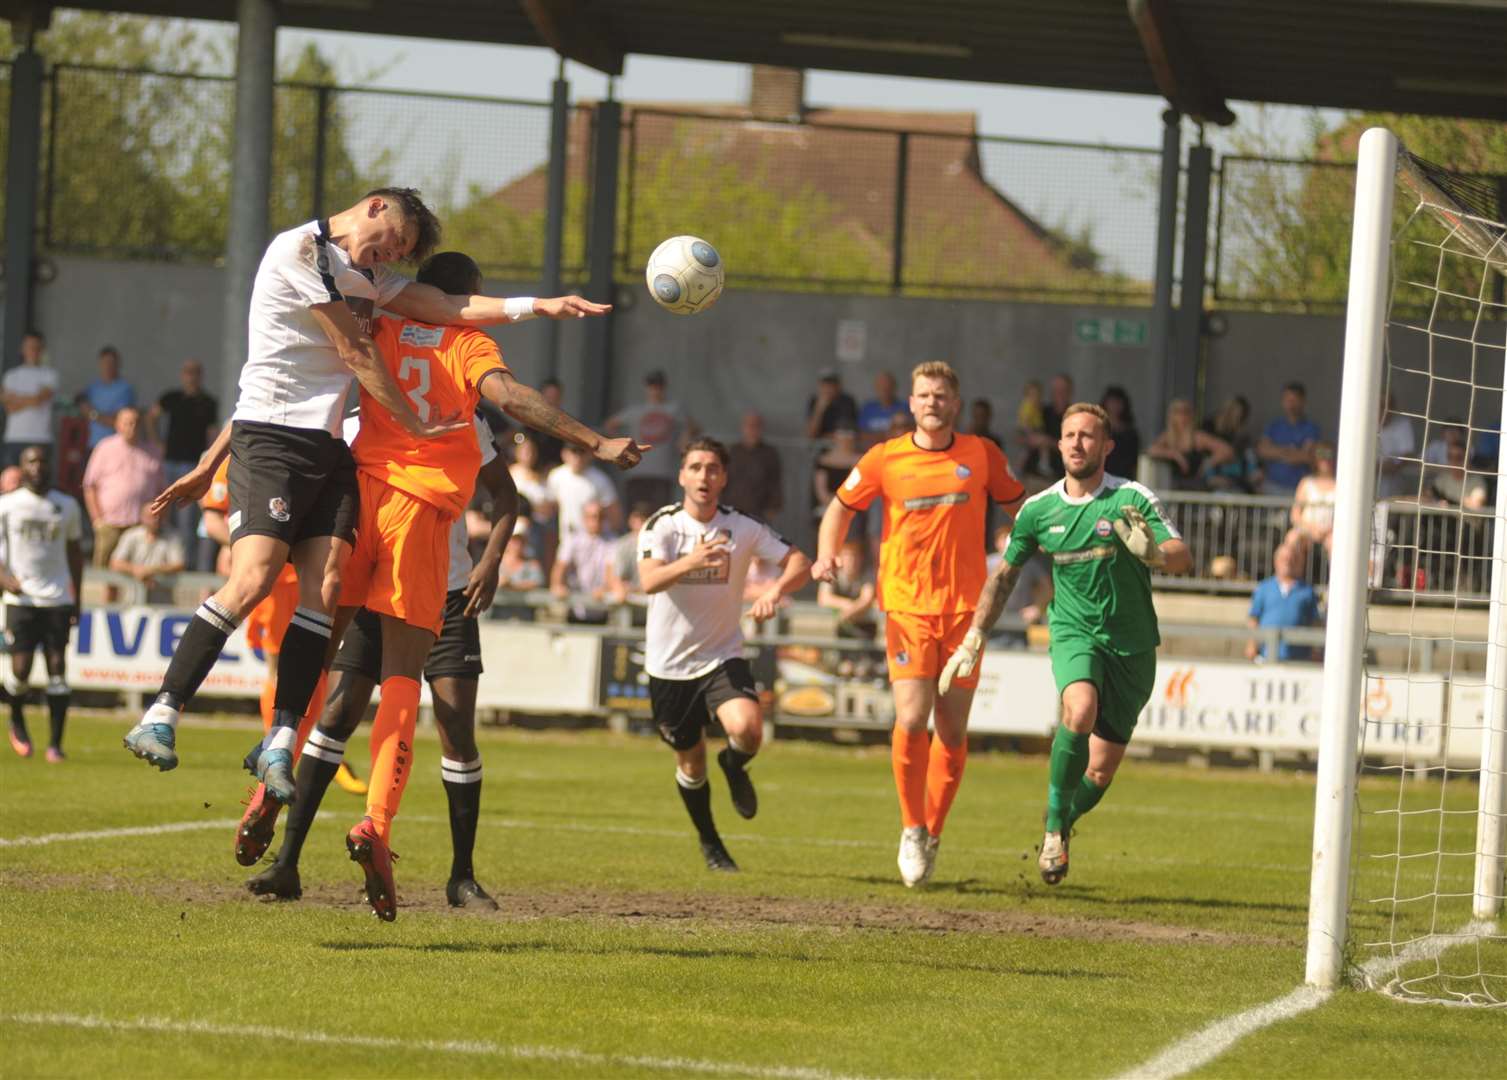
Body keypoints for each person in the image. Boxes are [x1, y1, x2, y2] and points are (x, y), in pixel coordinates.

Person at [122, 188, 623, 783]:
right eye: (396, 243)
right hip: (273, 441)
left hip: (329, 450)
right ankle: (162, 712)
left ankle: (282, 740)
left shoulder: (368, 277)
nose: (391, 258)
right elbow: (356, 351)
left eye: (403, 254)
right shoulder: (300, 251)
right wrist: (414, 425)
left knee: (326, 587)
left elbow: (447, 306)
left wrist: (539, 305)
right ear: (376, 207)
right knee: (253, 577)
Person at [237, 250, 638, 919]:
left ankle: (273, 764)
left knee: (319, 653)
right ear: (468, 298)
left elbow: (285, 388)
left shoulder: (378, 328)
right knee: (400, 681)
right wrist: (593, 441)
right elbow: (509, 398)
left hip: (353, 507)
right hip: (417, 523)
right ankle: (375, 825)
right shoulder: (468, 348)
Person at [246, 412, 520, 909]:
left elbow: (506, 494)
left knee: (455, 726)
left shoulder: (460, 418)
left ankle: (462, 876)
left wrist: (491, 561)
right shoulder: (353, 421)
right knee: (338, 711)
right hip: (378, 589)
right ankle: (287, 861)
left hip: (451, 591)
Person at [942, 403, 1190, 887]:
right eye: (1070, 435)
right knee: (1079, 709)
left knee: (1099, 773)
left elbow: (1182, 556)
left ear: (1106, 446)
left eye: (1088, 436)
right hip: (1074, 632)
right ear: (1058, 444)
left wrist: (1155, 554)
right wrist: (975, 635)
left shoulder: (1130, 498)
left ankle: (1063, 818)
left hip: (1133, 645)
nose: (1077, 443)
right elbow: (1005, 576)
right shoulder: (1039, 510)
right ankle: (1054, 828)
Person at [812, 360, 1025, 887]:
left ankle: (933, 831)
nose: (931, 402)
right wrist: (826, 556)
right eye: (923, 395)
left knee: (951, 731)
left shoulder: (982, 455)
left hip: (965, 613)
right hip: (906, 608)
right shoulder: (885, 458)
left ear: (955, 403)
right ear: (910, 404)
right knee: (911, 719)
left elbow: (1022, 508)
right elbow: (840, 508)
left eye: (940, 395)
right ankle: (911, 828)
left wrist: (1024, 541)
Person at [639, 437, 812, 870]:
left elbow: (799, 562)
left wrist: (774, 590)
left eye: (712, 468)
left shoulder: (743, 526)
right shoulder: (662, 526)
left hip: (721, 655)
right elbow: (648, 581)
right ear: (681, 475)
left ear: (724, 478)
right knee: (691, 765)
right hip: (669, 668)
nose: (703, 476)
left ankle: (734, 765)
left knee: (750, 729)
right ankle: (710, 840)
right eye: (695, 467)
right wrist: (693, 561)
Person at [199, 450, 357, 804]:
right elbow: (212, 520)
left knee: (321, 661)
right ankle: (280, 742)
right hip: (272, 579)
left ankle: (311, 743)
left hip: (314, 572)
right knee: (278, 662)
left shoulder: (302, 446)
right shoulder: (238, 457)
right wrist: (254, 544)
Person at [0, 446, 83, 762]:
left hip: (58, 598)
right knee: (20, 670)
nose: (38, 467)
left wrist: (78, 598)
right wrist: (4, 578)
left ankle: (55, 744)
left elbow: (75, 553)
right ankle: (17, 717)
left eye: (43, 461)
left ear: (51, 466)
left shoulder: (66, 505)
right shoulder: (8, 505)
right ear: (21, 468)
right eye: (31, 461)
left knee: (58, 668)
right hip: (21, 599)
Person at [149, 359, 219, 563]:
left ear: (201, 375)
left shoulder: (208, 402)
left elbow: (213, 433)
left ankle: (186, 563)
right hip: (169, 462)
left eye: (195, 372)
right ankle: (165, 561)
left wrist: (208, 461)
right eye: (188, 372)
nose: (191, 377)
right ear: (182, 375)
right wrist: (157, 442)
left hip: (192, 466)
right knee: (163, 515)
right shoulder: (172, 398)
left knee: (186, 520)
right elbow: (151, 416)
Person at [81, 406, 163, 566]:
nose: (131, 427)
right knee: (104, 576)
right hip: (109, 524)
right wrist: (97, 520)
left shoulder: (152, 451)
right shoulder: (104, 448)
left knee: (135, 576)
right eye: (127, 423)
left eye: (135, 423)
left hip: (139, 526)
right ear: (117, 425)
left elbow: (161, 490)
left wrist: (155, 520)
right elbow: (90, 486)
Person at [605, 370, 697, 509]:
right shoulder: (635, 410)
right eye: (652, 385)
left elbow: (694, 427)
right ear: (646, 387)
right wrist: (620, 449)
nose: (655, 389)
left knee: (660, 513)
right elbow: (610, 424)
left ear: (664, 387)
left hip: (662, 472)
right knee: (635, 514)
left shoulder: (674, 409)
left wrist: (684, 437)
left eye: (658, 385)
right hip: (636, 470)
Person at [1246, 543, 1321, 663]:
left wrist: (1316, 649)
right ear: (1275, 561)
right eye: (1284, 559)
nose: (1288, 562)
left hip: (1299, 659)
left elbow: (1315, 623)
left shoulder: (1308, 591)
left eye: (1292, 559)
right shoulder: (1264, 588)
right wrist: (1251, 644)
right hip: (1267, 656)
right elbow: (1254, 618)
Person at [551, 500, 618, 618]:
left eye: (600, 517)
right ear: (584, 518)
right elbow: (561, 566)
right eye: (592, 517)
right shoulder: (572, 539)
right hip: (574, 605)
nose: (596, 521)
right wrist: (557, 585)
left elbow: (610, 571)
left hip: (601, 607)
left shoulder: (612, 542)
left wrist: (605, 588)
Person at [1148, 398, 1233, 491]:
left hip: (1195, 487)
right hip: (1174, 488)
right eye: (1178, 412)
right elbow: (1152, 450)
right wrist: (1176, 455)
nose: (1182, 416)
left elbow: (1226, 450)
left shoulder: (1197, 437)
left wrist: (1207, 463)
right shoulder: (1167, 437)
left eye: (1186, 412)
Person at [2, 331, 58, 468]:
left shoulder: (50, 374)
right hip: (14, 438)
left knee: (38, 485)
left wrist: (16, 398)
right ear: (23, 349)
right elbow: (9, 408)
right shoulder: (11, 376)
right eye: (30, 347)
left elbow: (39, 400)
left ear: (42, 349)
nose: (33, 351)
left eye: (37, 347)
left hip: (40, 439)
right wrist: (32, 399)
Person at [1256, 381, 1322, 495]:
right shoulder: (1273, 426)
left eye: (1294, 400)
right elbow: (1262, 450)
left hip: (1298, 489)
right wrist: (1288, 451)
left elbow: (1308, 456)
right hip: (1272, 486)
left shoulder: (1311, 428)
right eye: (1287, 400)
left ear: (1303, 402)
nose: (1291, 404)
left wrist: (1276, 451)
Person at [547, 442, 621, 537]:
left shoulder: (600, 479)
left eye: (582, 452)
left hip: (595, 539)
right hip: (567, 537)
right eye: (574, 452)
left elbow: (614, 514)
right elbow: (551, 509)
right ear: (564, 454)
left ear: (589, 454)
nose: (578, 457)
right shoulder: (556, 476)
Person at [508, 430, 556, 571]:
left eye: (531, 450)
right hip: (518, 529)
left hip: (541, 531)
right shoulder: (511, 473)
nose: (528, 454)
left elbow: (550, 505)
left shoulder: (543, 477)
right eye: (524, 450)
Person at [723, 411, 783, 522]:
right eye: (749, 425)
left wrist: (774, 507)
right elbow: (723, 478)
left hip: (759, 511)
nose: (752, 429)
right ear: (743, 427)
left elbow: (775, 482)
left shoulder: (770, 453)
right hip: (732, 509)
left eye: (756, 426)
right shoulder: (732, 451)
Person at [77, 346, 138, 450]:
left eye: (111, 363)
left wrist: (92, 414)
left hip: (115, 447)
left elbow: (117, 422)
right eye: (105, 363)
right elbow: (81, 408)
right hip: (93, 444)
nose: (108, 366)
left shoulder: (125, 389)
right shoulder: (93, 387)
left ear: (118, 364)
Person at [108, 507, 186, 587]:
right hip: (133, 595)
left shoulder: (173, 537)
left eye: (159, 516)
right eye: (152, 516)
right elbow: (115, 563)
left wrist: (151, 570)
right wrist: (136, 570)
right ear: (142, 517)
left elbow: (179, 565)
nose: (156, 520)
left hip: (161, 595)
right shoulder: (131, 535)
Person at [815, 538, 877, 639]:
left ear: (861, 557)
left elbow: (867, 599)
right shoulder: (832, 572)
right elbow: (823, 598)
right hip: (841, 626)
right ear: (840, 557)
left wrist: (849, 612)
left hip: (865, 626)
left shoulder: (867, 574)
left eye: (855, 556)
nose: (851, 560)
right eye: (847, 555)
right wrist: (847, 605)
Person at [1202, 395, 1261, 493]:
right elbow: (1208, 459)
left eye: (1240, 415)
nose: (1236, 417)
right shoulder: (1209, 427)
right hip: (1215, 474)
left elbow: (1250, 463)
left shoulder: (1243, 438)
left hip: (1236, 480)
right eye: (1234, 412)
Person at [1289, 442, 1337, 553]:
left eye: (1329, 455)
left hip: (1331, 532)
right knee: (1292, 539)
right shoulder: (1306, 482)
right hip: (1307, 530)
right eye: (1321, 455)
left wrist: (1328, 531)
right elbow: (1295, 515)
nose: (1325, 460)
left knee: (1335, 544)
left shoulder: (1341, 485)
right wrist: (1311, 529)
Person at [1376, 393, 1417, 500]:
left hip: (1393, 488)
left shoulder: (1402, 424)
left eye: (1388, 405)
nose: (1384, 409)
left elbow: (1407, 454)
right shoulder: (1363, 422)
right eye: (1381, 405)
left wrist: (1393, 464)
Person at [609, 502, 653, 600]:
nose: (640, 524)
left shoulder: (658, 543)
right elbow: (616, 579)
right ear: (630, 521)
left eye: (643, 520)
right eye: (637, 519)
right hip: (629, 602)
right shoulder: (623, 545)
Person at [1100, 386, 1141, 480]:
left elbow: (1134, 460)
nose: (1115, 406)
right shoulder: (1099, 430)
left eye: (1118, 402)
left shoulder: (1131, 433)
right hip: (1103, 475)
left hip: (1124, 476)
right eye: (1112, 402)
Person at [805, 369, 859, 439]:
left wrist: (825, 436)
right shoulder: (814, 401)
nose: (828, 388)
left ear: (838, 386)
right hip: (820, 446)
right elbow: (811, 434)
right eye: (825, 384)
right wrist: (819, 409)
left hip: (842, 443)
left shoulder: (847, 401)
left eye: (831, 384)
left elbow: (847, 431)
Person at [858, 372, 909, 443]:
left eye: (888, 386)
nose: (884, 389)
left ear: (894, 387)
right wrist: (886, 434)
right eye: (881, 386)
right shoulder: (868, 408)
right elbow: (862, 435)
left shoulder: (904, 407)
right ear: (876, 388)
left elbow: (907, 433)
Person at [497, 518, 545, 591]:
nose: (517, 544)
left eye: (521, 541)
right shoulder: (495, 563)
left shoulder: (532, 565)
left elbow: (537, 584)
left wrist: (512, 586)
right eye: (514, 540)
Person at [1015, 379, 1046, 478]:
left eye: (1037, 395)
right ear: (1027, 395)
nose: (1035, 398)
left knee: (1029, 451)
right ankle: (1042, 463)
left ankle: (1042, 463)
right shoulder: (1028, 406)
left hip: (1033, 429)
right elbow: (1025, 421)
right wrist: (1030, 433)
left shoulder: (1037, 406)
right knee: (1028, 450)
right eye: (1032, 395)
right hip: (1027, 430)